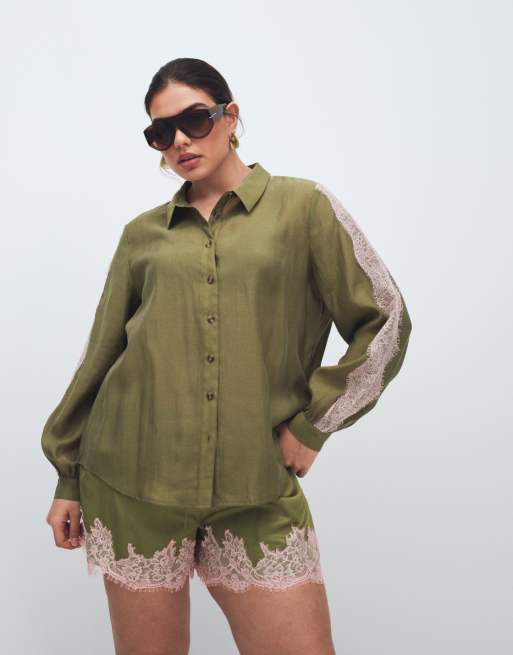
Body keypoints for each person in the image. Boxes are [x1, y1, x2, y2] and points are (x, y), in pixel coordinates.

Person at [41, 57, 412, 655]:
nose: (180, 141)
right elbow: (102, 356)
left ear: (231, 116)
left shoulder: (304, 207)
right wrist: (68, 476)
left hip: (255, 486)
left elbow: (386, 319)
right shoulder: (142, 235)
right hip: (132, 482)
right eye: (161, 132)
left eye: (195, 120)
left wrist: (314, 425)